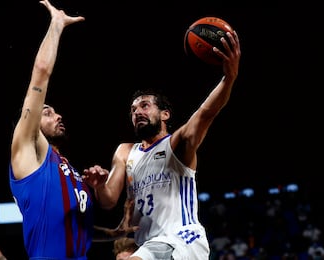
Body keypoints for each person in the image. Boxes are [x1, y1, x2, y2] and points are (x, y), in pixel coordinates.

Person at [83, 29, 241, 259]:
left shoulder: (176, 145)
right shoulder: (126, 151)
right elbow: (108, 201)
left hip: (182, 239)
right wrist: (98, 186)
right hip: (148, 243)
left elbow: (205, 113)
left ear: (165, 114)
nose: (137, 112)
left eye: (145, 105)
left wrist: (229, 78)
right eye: (133, 110)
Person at [8, 0, 94, 259]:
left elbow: (71, 221)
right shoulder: (27, 148)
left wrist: (113, 233)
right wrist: (56, 26)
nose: (57, 115)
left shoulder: (64, 166)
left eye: (55, 111)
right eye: (47, 112)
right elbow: (41, 73)